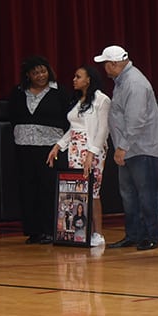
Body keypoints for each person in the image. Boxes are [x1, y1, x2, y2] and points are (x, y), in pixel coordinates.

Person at [96, 46, 158, 251]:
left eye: (106, 64)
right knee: (129, 194)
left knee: (146, 194)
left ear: (114, 64)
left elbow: (136, 120)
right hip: (129, 148)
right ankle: (134, 234)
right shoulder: (123, 81)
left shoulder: (134, 83)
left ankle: (150, 236)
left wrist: (122, 147)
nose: (104, 68)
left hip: (141, 148)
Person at [9, 55, 71, 244]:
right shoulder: (18, 92)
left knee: (48, 188)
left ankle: (50, 230)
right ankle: (34, 230)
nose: (40, 75)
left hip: (50, 148)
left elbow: (67, 119)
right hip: (24, 147)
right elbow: (12, 116)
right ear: (28, 75)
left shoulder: (59, 91)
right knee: (28, 188)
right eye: (35, 73)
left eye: (43, 71)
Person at [47, 65, 109, 247]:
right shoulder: (78, 100)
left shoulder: (101, 100)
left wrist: (91, 153)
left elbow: (103, 130)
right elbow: (74, 129)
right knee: (79, 191)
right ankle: (81, 232)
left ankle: (98, 234)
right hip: (75, 149)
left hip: (92, 150)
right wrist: (59, 145)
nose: (74, 79)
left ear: (89, 79)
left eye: (78, 76)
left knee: (93, 191)